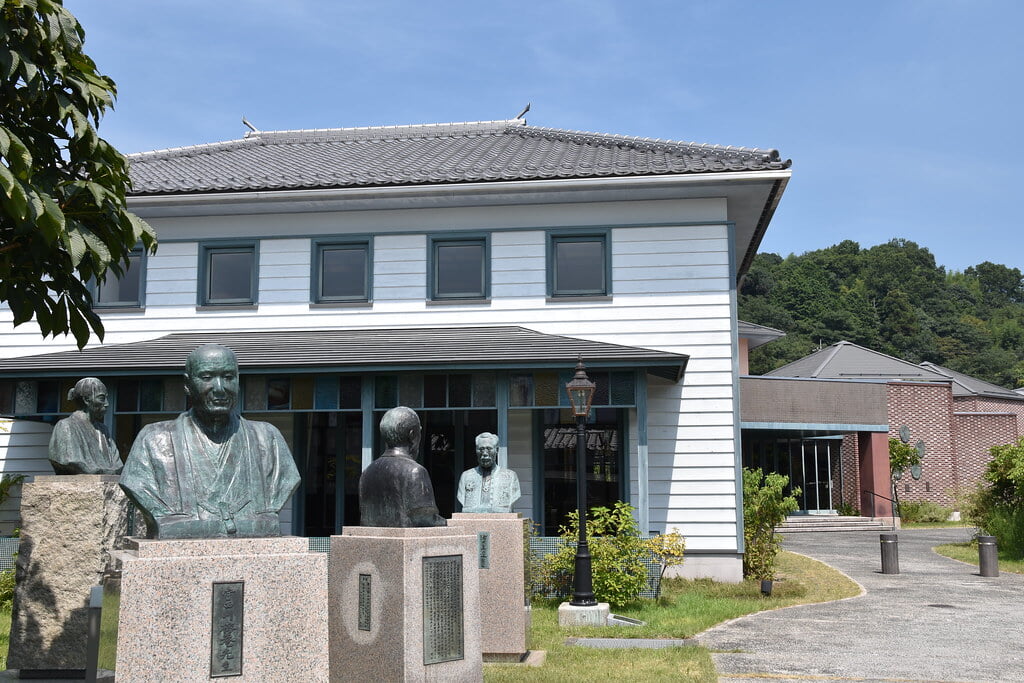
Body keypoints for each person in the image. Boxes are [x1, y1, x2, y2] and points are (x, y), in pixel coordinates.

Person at [120, 344, 300, 539]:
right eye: (207, 377)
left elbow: (287, 481)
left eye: (228, 377)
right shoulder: (154, 439)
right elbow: (136, 485)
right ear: (187, 385)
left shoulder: (267, 438)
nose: (220, 388)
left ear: (238, 381)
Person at [358, 406, 446, 527]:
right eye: (419, 432)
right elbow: (424, 518)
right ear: (412, 435)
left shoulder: (367, 472)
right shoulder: (414, 471)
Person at [48, 377, 122, 475]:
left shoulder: (103, 430)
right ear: (86, 400)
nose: (107, 404)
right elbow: (70, 461)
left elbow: (118, 465)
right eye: (102, 398)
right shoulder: (65, 426)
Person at [457, 432, 521, 513]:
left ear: (496, 450)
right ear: (476, 451)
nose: (484, 453)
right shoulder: (466, 476)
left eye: (489, 449)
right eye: (481, 449)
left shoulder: (510, 476)